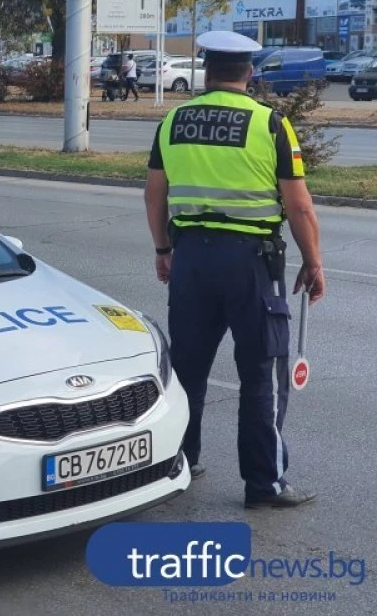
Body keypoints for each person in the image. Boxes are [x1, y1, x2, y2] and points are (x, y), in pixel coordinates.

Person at [143, 30, 324, 510]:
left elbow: (154, 191)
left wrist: (163, 247)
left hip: (191, 260)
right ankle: (263, 484)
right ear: (249, 73)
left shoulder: (174, 120)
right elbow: (299, 206)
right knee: (261, 372)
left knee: (187, 369)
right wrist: (314, 261)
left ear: (206, 72)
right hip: (251, 265)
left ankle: (181, 459)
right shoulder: (270, 124)